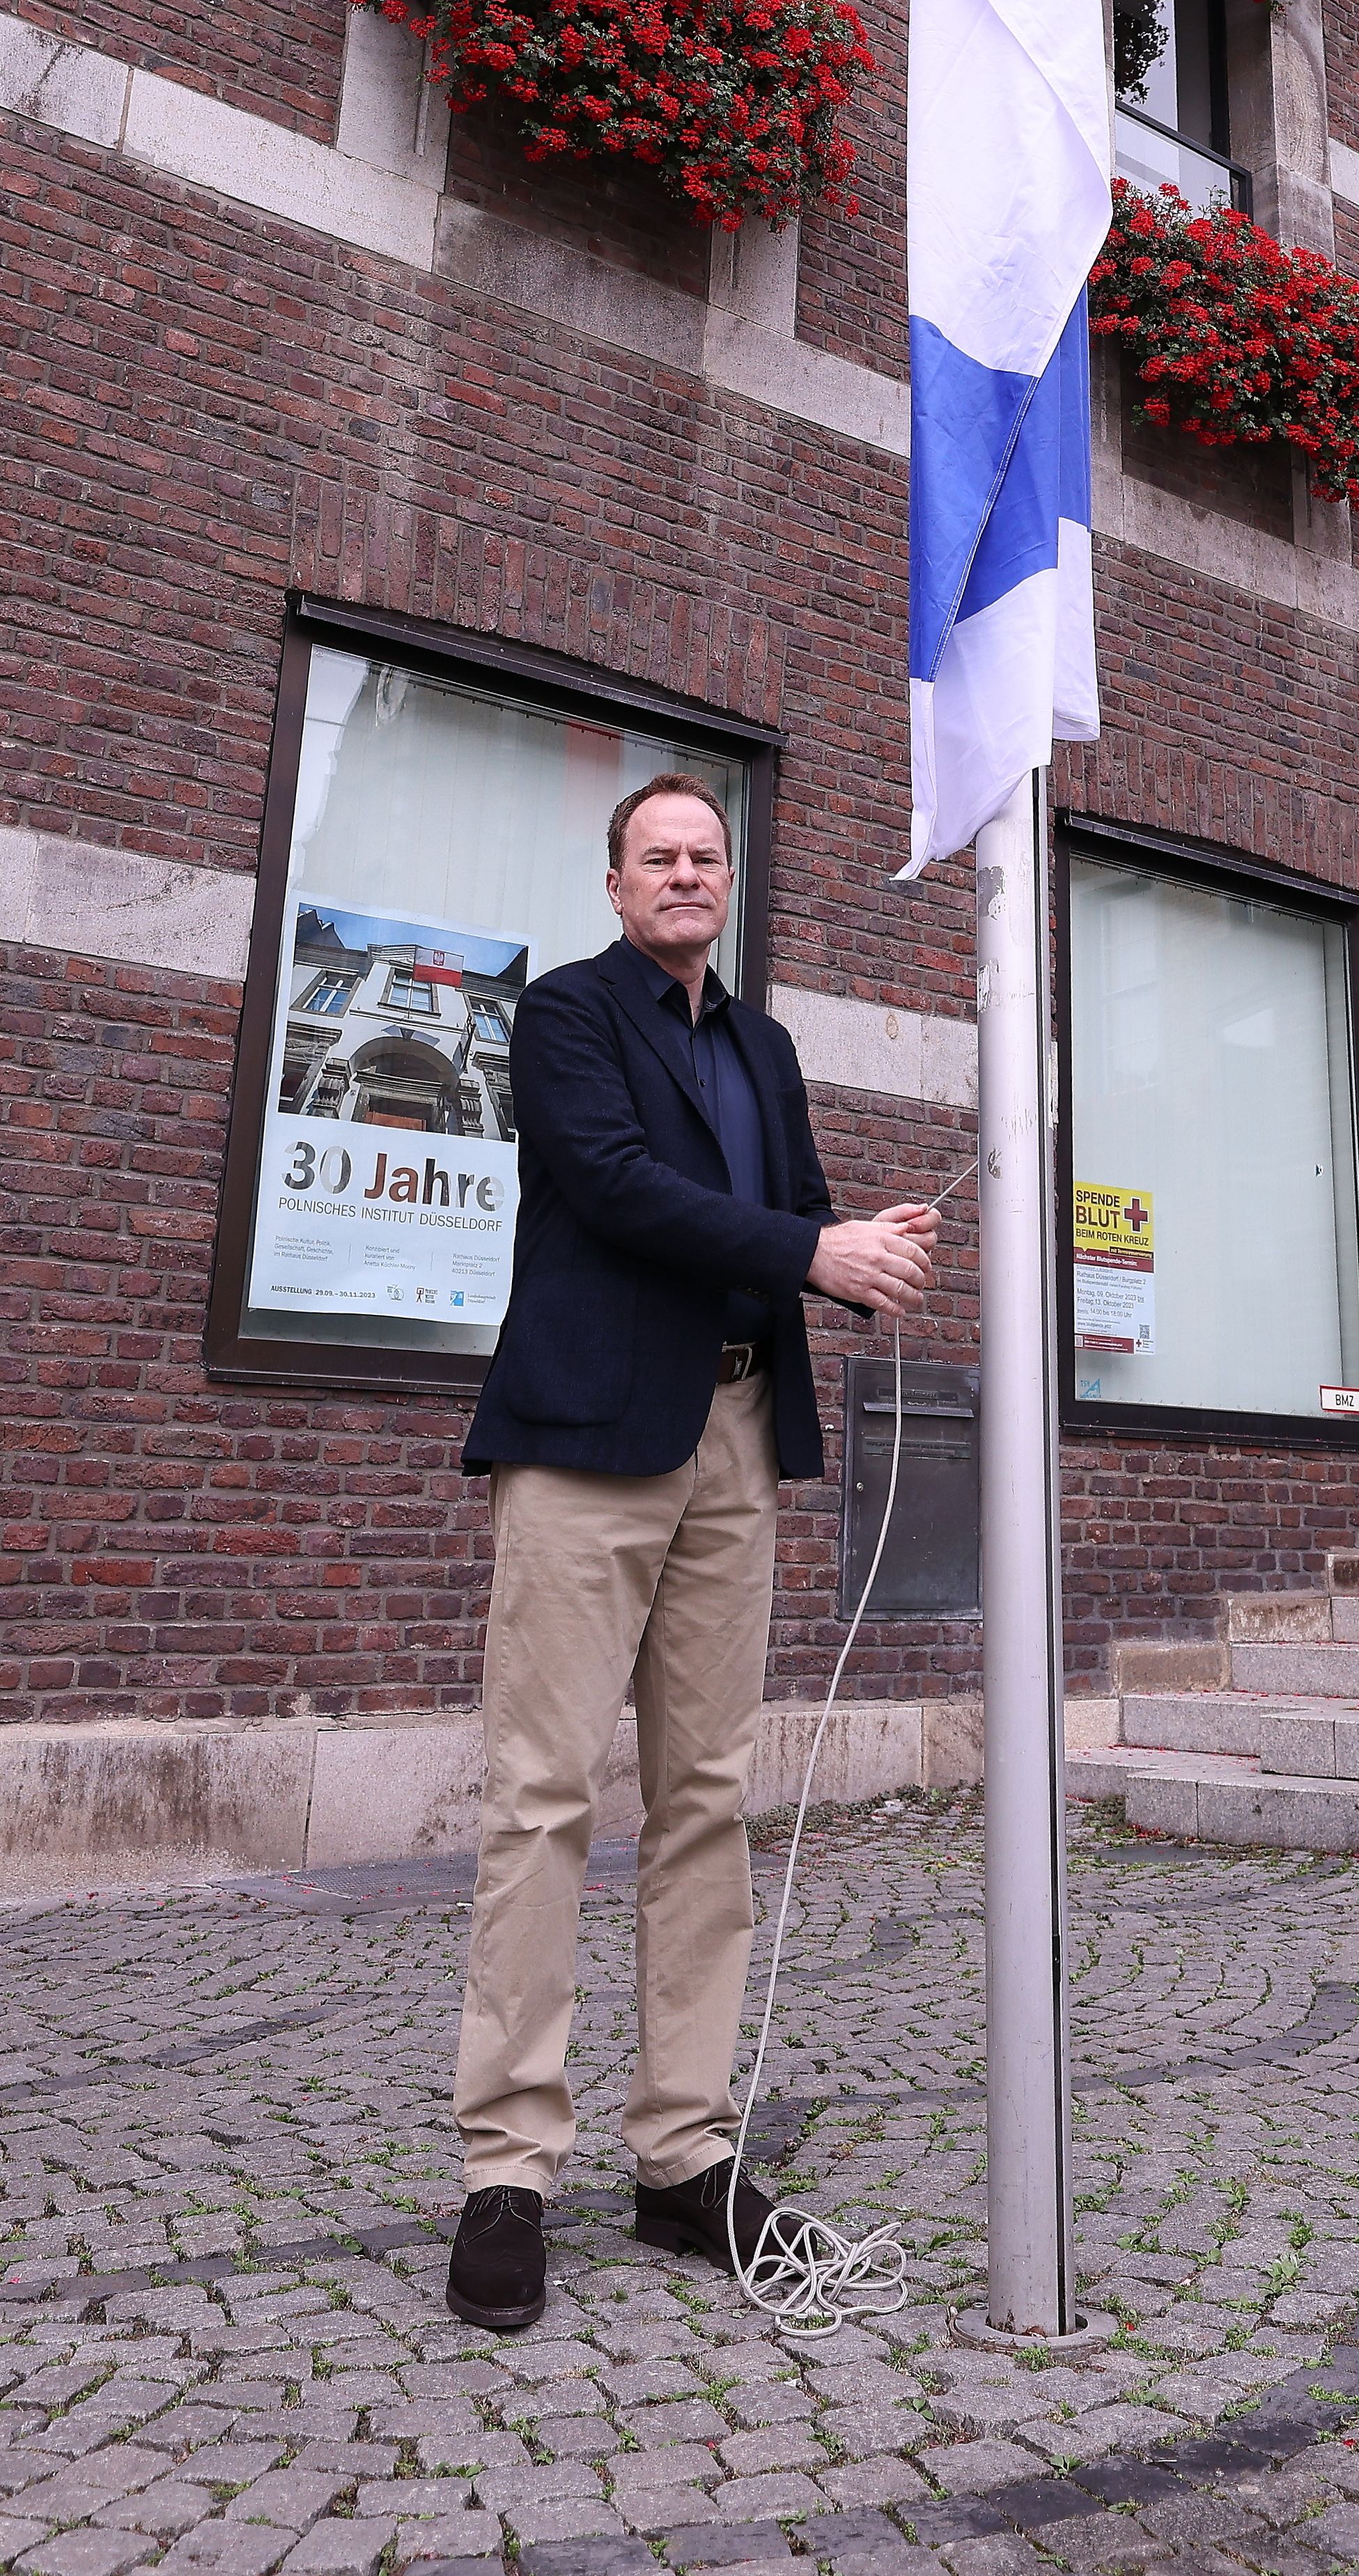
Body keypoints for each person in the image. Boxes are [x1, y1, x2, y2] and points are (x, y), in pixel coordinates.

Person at [444, 771, 937, 2334]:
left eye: (704, 856)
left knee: (707, 1798)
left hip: (734, 1444)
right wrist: (808, 1248)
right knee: (541, 1792)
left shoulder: (762, 1044)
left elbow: (786, 1214)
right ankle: (508, 2164)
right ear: (613, 884)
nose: (682, 874)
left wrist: (862, 1249)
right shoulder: (571, 1018)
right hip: (588, 1436)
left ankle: (680, 2154)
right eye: (655, 855)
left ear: (730, 884)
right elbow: (611, 1186)